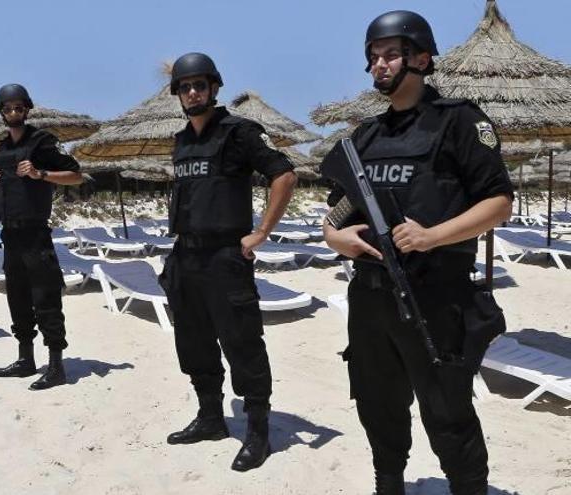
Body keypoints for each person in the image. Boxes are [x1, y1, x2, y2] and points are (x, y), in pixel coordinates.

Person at [321, 11, 513, 495]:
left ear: (421, 59)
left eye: (390, 54)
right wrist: (332, 237)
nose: (379, 65)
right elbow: (340, 207)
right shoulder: (365, 135)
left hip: (433, 293)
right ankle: (389, 481)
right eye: (373, 57)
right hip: (369, 297)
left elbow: (498, 203)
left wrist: (433, 236)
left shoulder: (460, 121)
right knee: (376, 400)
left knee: (446, 407)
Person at [157, 53, 297, 472]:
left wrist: (261, 233)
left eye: (200, 85)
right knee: (193, 341)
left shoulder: (239, 132)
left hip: (224, 256)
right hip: (186, 254)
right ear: (178, 94)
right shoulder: (182, 140)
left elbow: (284, 175)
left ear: (214, 88)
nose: (193, 92)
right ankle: (211, 418)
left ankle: (257, 432)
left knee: (242, 342)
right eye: (185, 87)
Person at [0, 83, 83, 390]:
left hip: (35, 233)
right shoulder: (2, 149)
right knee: (17, 297)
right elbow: (0, 189)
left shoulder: (42, 142)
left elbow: (76, 175)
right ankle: (26, 359)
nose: (13, 112)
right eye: (7, 108)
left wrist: (41, 174)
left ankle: (56, 367)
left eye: (18, 107)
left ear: (26, 109)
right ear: (1, 112)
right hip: (9, 235)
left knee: (46, 298)